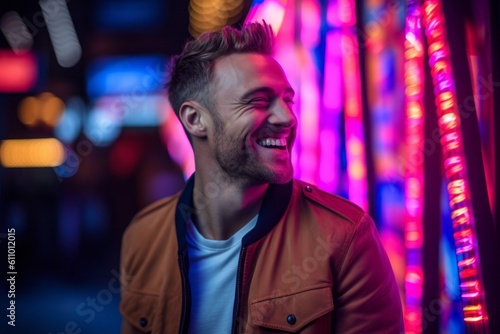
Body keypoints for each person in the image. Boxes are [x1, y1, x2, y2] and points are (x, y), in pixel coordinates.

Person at [119, 22, 404, 333]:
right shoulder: (142, 237)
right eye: (257, 101)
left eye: (288, 100)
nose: (287, 118)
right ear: (195, 119)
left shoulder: (346, 238)